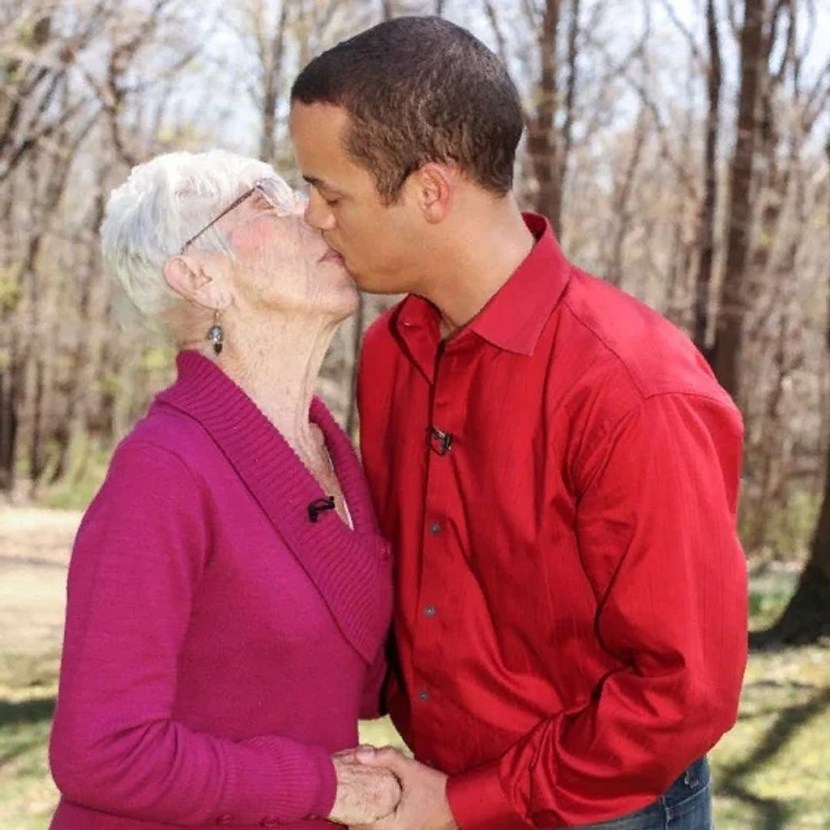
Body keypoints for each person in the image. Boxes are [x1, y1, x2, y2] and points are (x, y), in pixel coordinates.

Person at [289, 15, 748, 830]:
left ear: (430, 190)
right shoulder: (395, 350)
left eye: (331, 193)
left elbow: (686, 692)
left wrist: (467, 806)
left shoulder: (635, 386)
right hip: (435, 787)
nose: (315, 219)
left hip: (602, 809)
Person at [48, 150, 400, 830]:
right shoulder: (162, 471)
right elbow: (102, 754)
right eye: (267, 205)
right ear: (200, 276)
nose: (312, 214)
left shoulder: (337, 459)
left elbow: (353, 688)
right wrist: (322, 787)